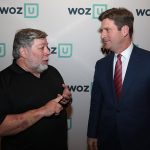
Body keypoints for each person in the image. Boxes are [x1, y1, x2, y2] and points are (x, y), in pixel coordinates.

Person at [87, 7, 150, 150]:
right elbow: (96, 103)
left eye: (107, 30)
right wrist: (92, 133)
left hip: (141, 140)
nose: (102, 35)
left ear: (125, 31)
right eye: (101, 30)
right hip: (107, 139)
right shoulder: (101, 65)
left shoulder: (148, 61)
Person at [0, 28, 72, 150]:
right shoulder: (4, 81)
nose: (48, 52)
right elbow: (2, 127)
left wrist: (64, 100)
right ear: (23, 52)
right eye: (41, 47)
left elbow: (58, 104)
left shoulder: (52, 72)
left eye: (47, 47)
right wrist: (43, 111)